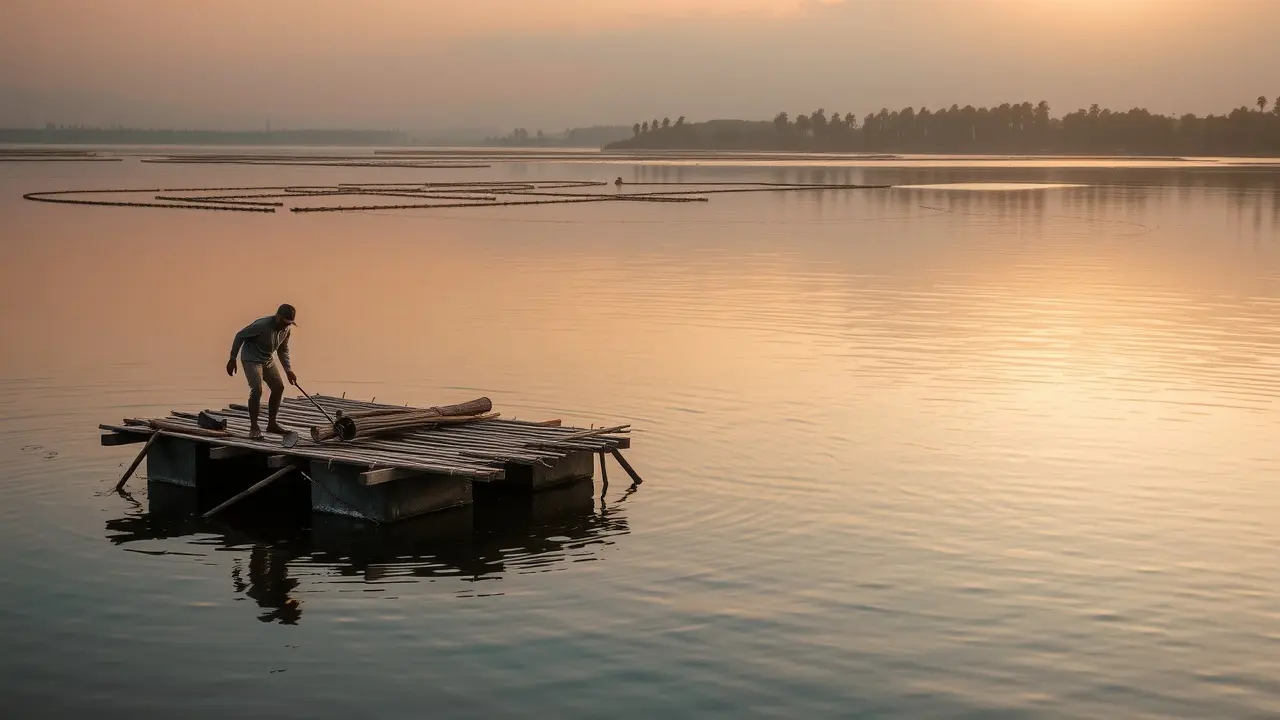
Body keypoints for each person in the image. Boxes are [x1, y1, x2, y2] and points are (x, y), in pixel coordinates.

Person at [227, 304, 298, 439]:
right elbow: (239, 336)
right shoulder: (261, 325)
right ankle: (254, 426)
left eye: (289, 323)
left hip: (267, 359)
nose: (286, 325)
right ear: (278, 317)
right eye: (284, 322)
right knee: (257, 389)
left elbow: (283, 350)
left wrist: (288, 370)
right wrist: (232, 358)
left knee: (278, 387)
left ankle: (272, 424)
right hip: (251, 359)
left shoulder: (286, 330)